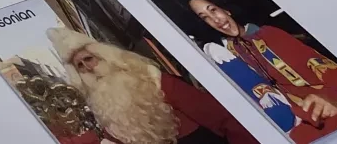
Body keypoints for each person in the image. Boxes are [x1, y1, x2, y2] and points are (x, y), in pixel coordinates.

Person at [185, 0, 337, 142]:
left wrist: (330, 95)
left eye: (214, 10)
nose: (216, 19)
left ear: (226, 11)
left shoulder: (270, 34)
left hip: (334, 110)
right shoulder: (227, 56)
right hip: (296, 125)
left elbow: (326, 68)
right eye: (206, 17)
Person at [49, 28, 258, 144]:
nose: (88, 67)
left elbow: (218, 116)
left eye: (89, 59)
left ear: (103, 55)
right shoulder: (104, 104)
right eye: (80, 66)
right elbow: (108, 137)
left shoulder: (153, 79)